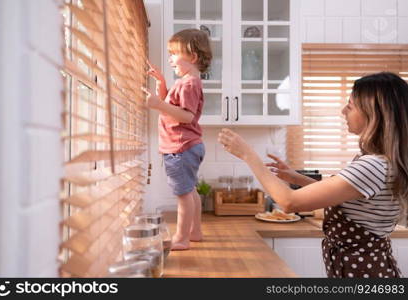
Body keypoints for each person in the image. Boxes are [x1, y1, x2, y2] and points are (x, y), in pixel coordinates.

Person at [218, 72, 408, 278]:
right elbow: (342, 196)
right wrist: (296, 178)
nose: (343, 111)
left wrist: (248, 154)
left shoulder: (372, 166)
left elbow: (289, 202)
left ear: (374, 114)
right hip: (368, 269)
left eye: (350, 106)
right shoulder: (382, 162)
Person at [142, 29, 212, 250]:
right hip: (188, 146)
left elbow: (187, 116)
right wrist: (162, 84)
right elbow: (176, 108)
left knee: (183, 195)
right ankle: (195, 231)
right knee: (190, 190)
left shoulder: (189, 84)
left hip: (180, 148)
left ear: (192, 56)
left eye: (174, 53)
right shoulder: (186, 83)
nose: (170, 58)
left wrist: (158, 105)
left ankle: (181, 238)